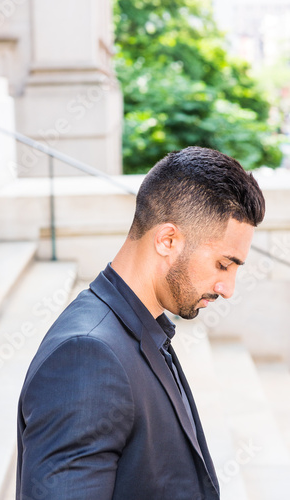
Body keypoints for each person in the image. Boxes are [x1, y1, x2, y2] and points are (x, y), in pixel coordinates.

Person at [16, 146, 265, 500]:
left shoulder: (139, 326)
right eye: (224, 265)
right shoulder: (86, 357)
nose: (228, 289)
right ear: (167, 240)